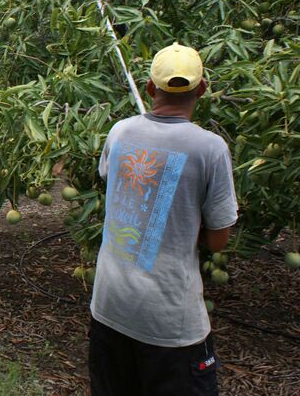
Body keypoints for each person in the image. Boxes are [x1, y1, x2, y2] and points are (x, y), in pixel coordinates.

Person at [89, 42, 238, 396]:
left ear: (149, 88)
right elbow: (218, 240)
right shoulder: (210, 148)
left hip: (110, 307)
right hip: (169, 324)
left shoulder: (120, 131)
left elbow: (115, 181)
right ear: (202, 89)